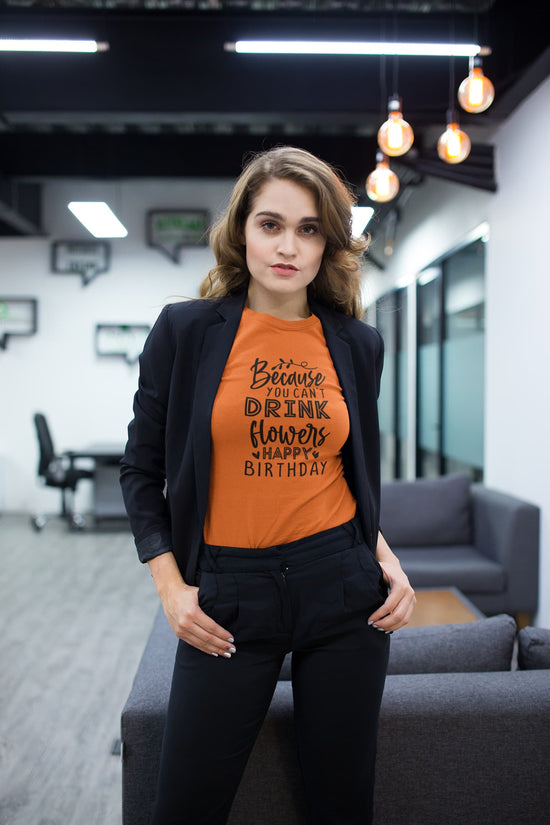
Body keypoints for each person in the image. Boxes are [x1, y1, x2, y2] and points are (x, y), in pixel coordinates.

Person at [120, 145, 416, 825]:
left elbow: (349, 473)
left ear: (329, 245)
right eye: (271, 224)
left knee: (341, 807)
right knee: (185, 808)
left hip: (341, 586)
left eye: (309, 228)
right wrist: (171, 588)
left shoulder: (356, 344)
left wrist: (386, 559)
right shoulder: (187, 331)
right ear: (242, 231)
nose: (288, 245)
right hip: (228, 596)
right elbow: (140, 470)